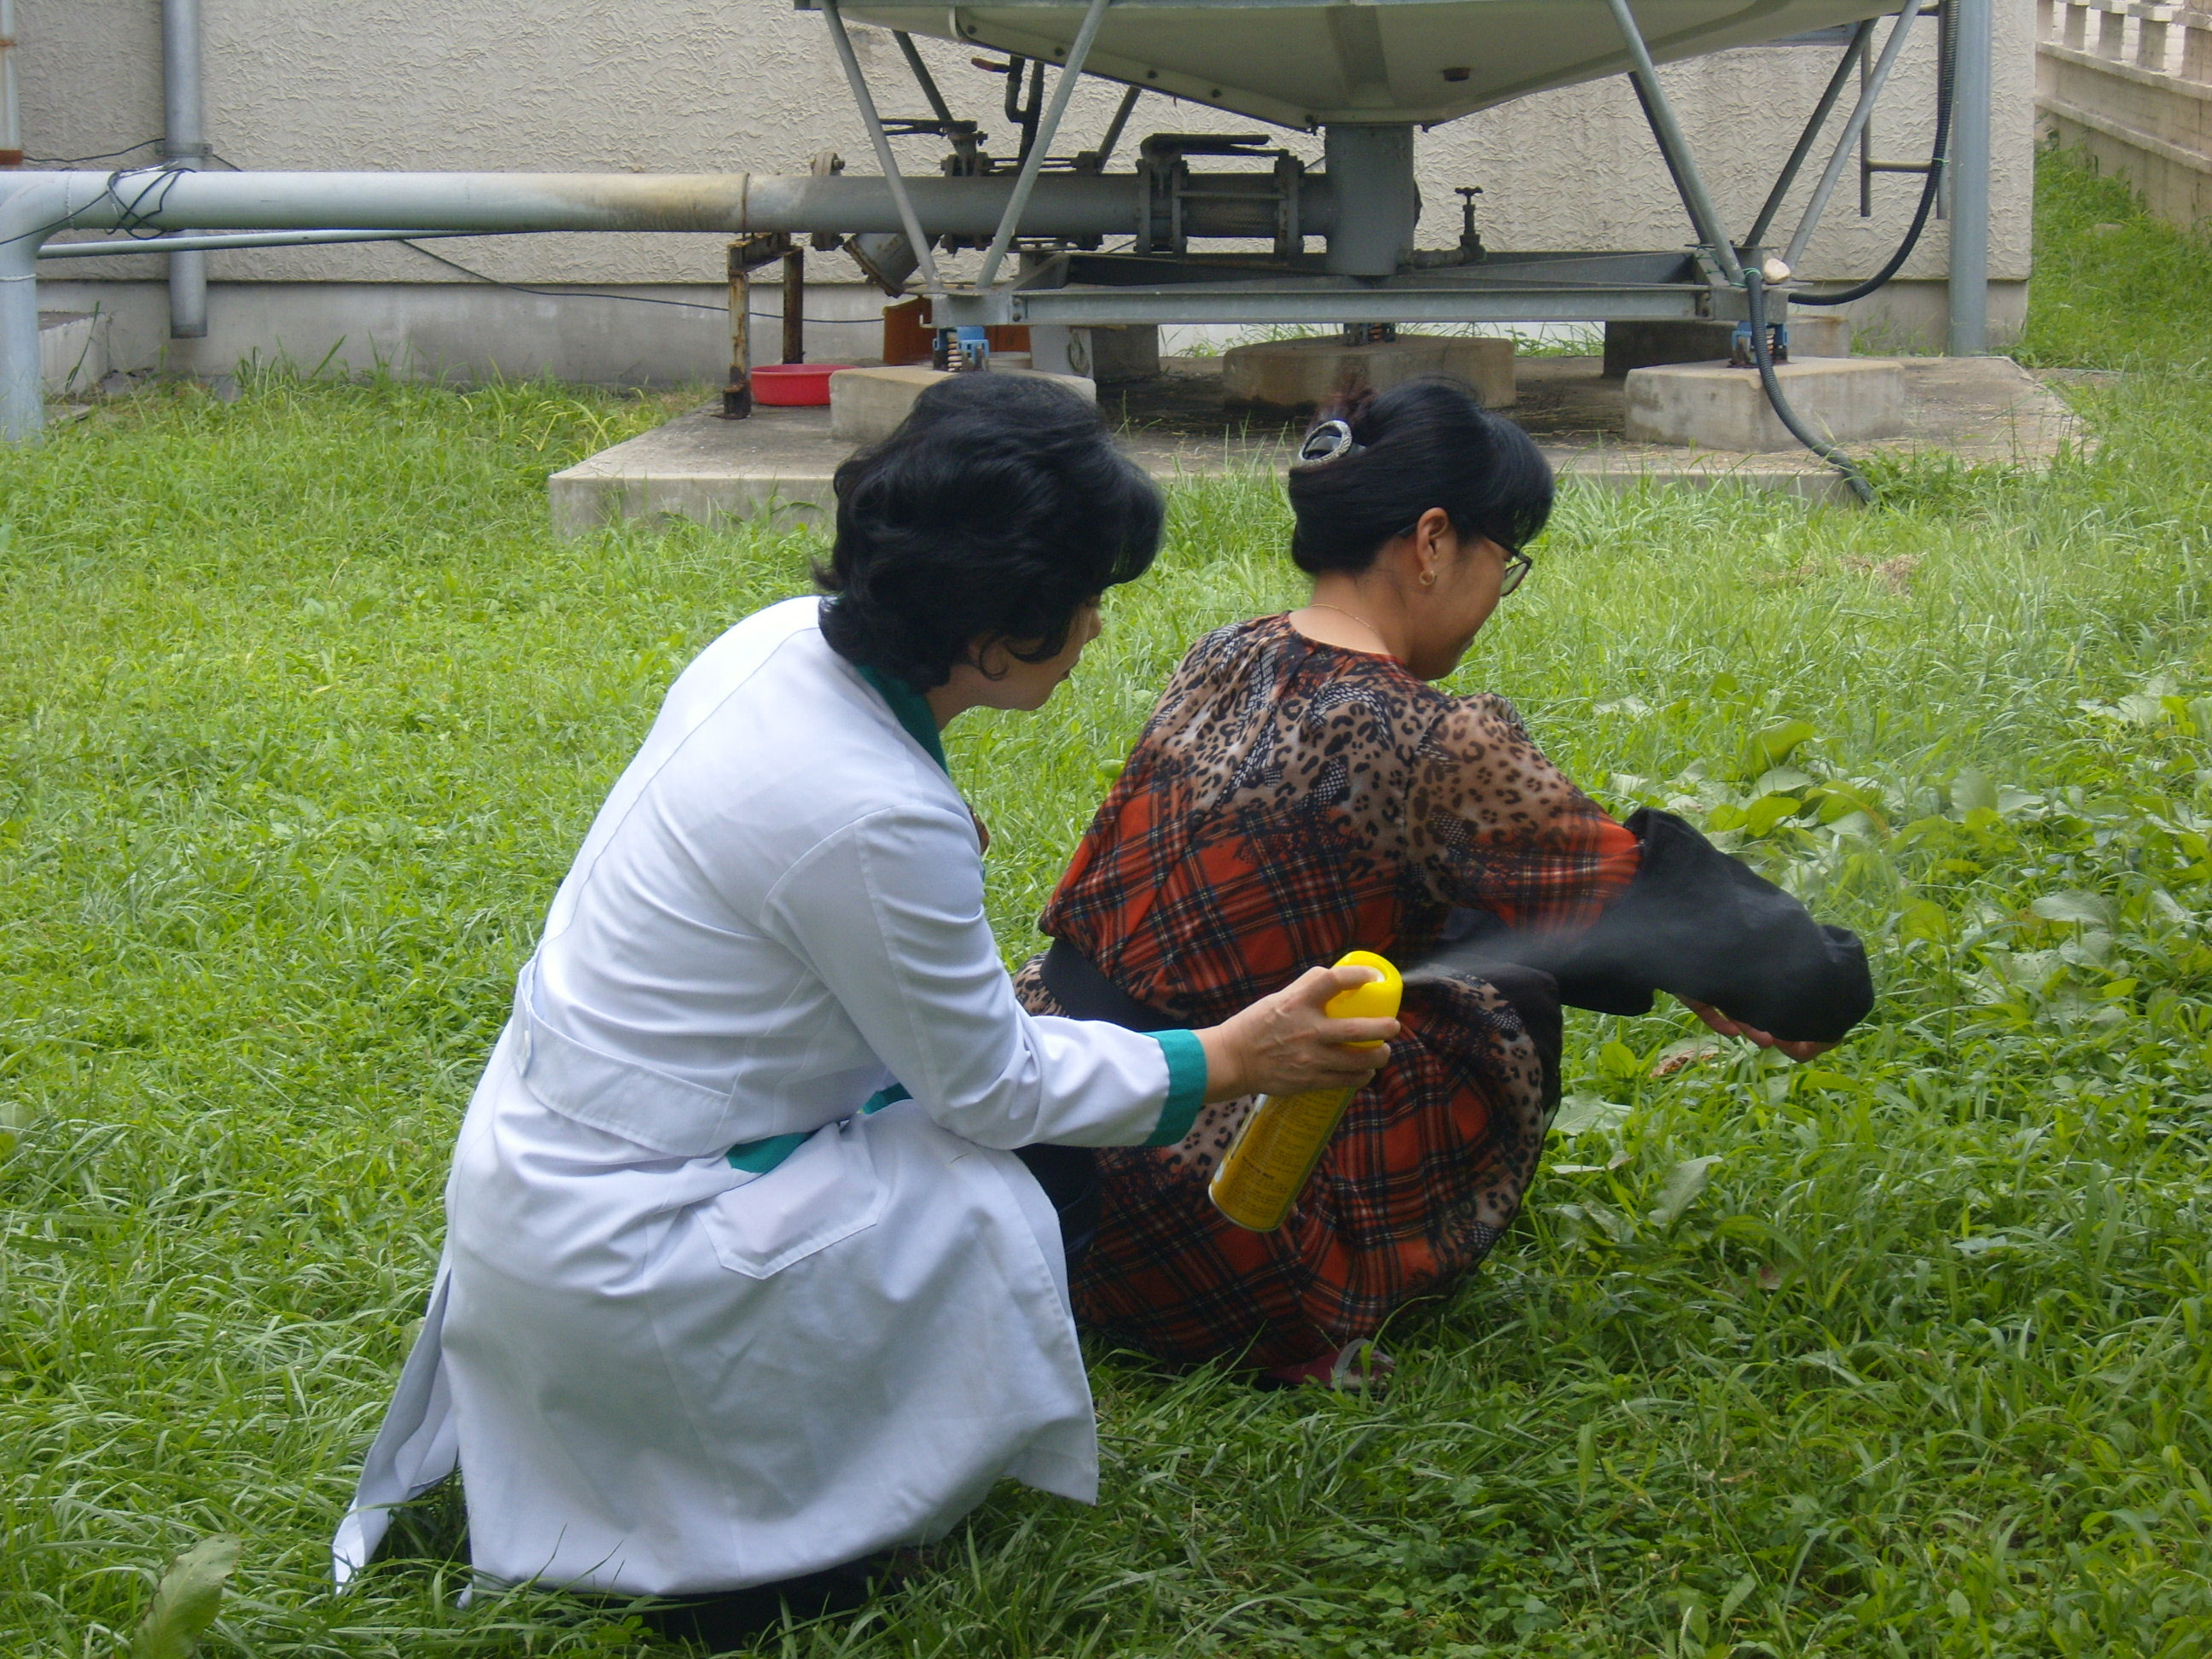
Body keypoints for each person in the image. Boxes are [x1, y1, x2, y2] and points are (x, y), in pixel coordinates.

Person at [330, 375, 1399, 1645]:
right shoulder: (873, 812)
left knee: (1001, 1142)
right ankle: (764, 1543)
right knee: (1026, 1183)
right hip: (635, 1249)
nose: (1100, 630)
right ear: (995, 634)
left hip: (548, 1177)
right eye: (1083, 604)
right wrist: (1228, 1056)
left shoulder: (780, 640)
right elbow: (993, 1090)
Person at [1014, 378, 1873, 1387]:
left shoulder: (1225, 652)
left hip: (1049, 1158)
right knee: (1500, 994)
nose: (1494, 599)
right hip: (1221, 1217)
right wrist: (1810, 978)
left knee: (1467, 917)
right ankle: (1343, 1285)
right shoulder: (1432, 736)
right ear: (1432, 541)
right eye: (1502, 563)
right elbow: (1641, 897)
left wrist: (1672, 958)